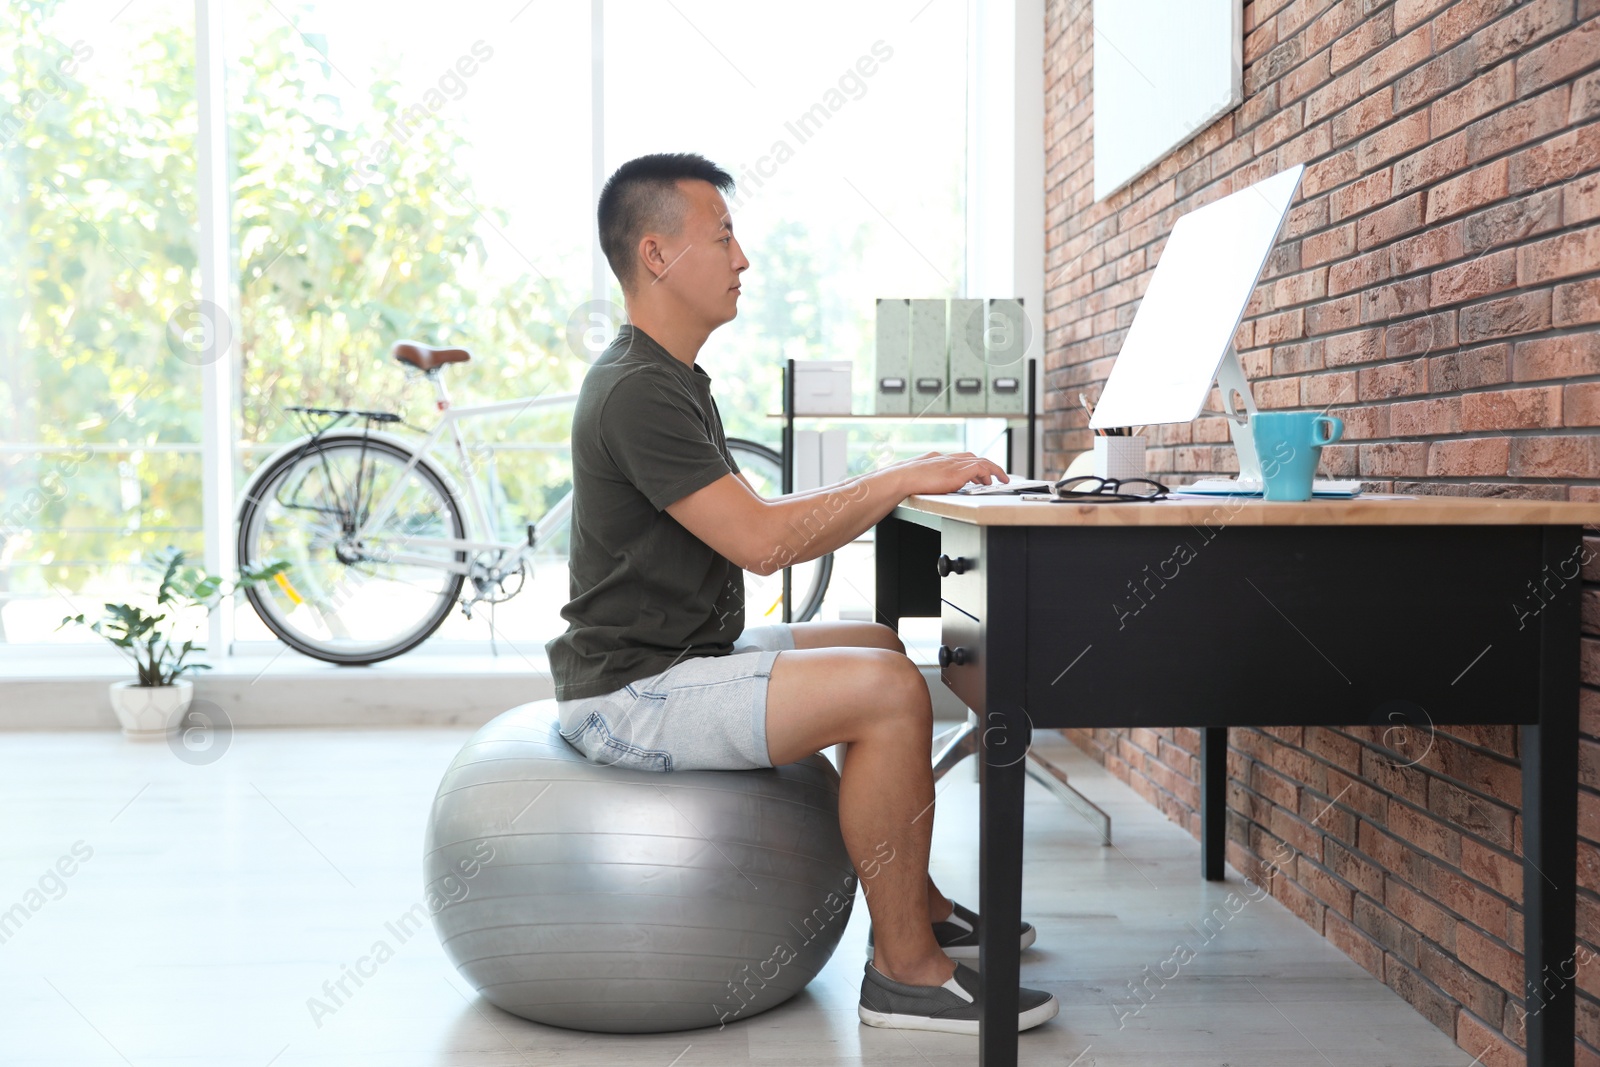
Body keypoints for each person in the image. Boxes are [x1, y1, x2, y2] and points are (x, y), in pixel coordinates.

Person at [545, 152, 1057, 1036]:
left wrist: (901, 474)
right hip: (630, 694)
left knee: (879, 643)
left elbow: (747, 512)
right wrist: (902, 476)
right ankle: (904, 971)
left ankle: (918, 902)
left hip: (675, 659)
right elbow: (764, 543)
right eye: (725, 236)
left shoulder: (666, 376)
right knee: (891, 694)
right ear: (658, 255)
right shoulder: (637, 390)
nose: (743, 259)